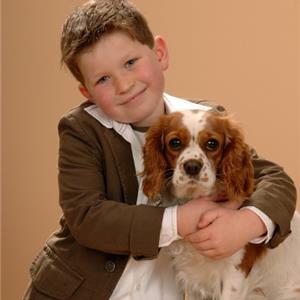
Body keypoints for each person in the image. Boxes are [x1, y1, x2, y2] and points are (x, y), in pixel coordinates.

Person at [22, 0, 296, 299]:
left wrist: (246, 224)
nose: (124, 85)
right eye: (103, 79)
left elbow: (276, 180)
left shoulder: (206, 118)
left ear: (160, 53)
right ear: (87, 93)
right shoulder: (82, 130)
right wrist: (182, 220)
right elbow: (87, 218)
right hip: (80, 292)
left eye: (130, 62)